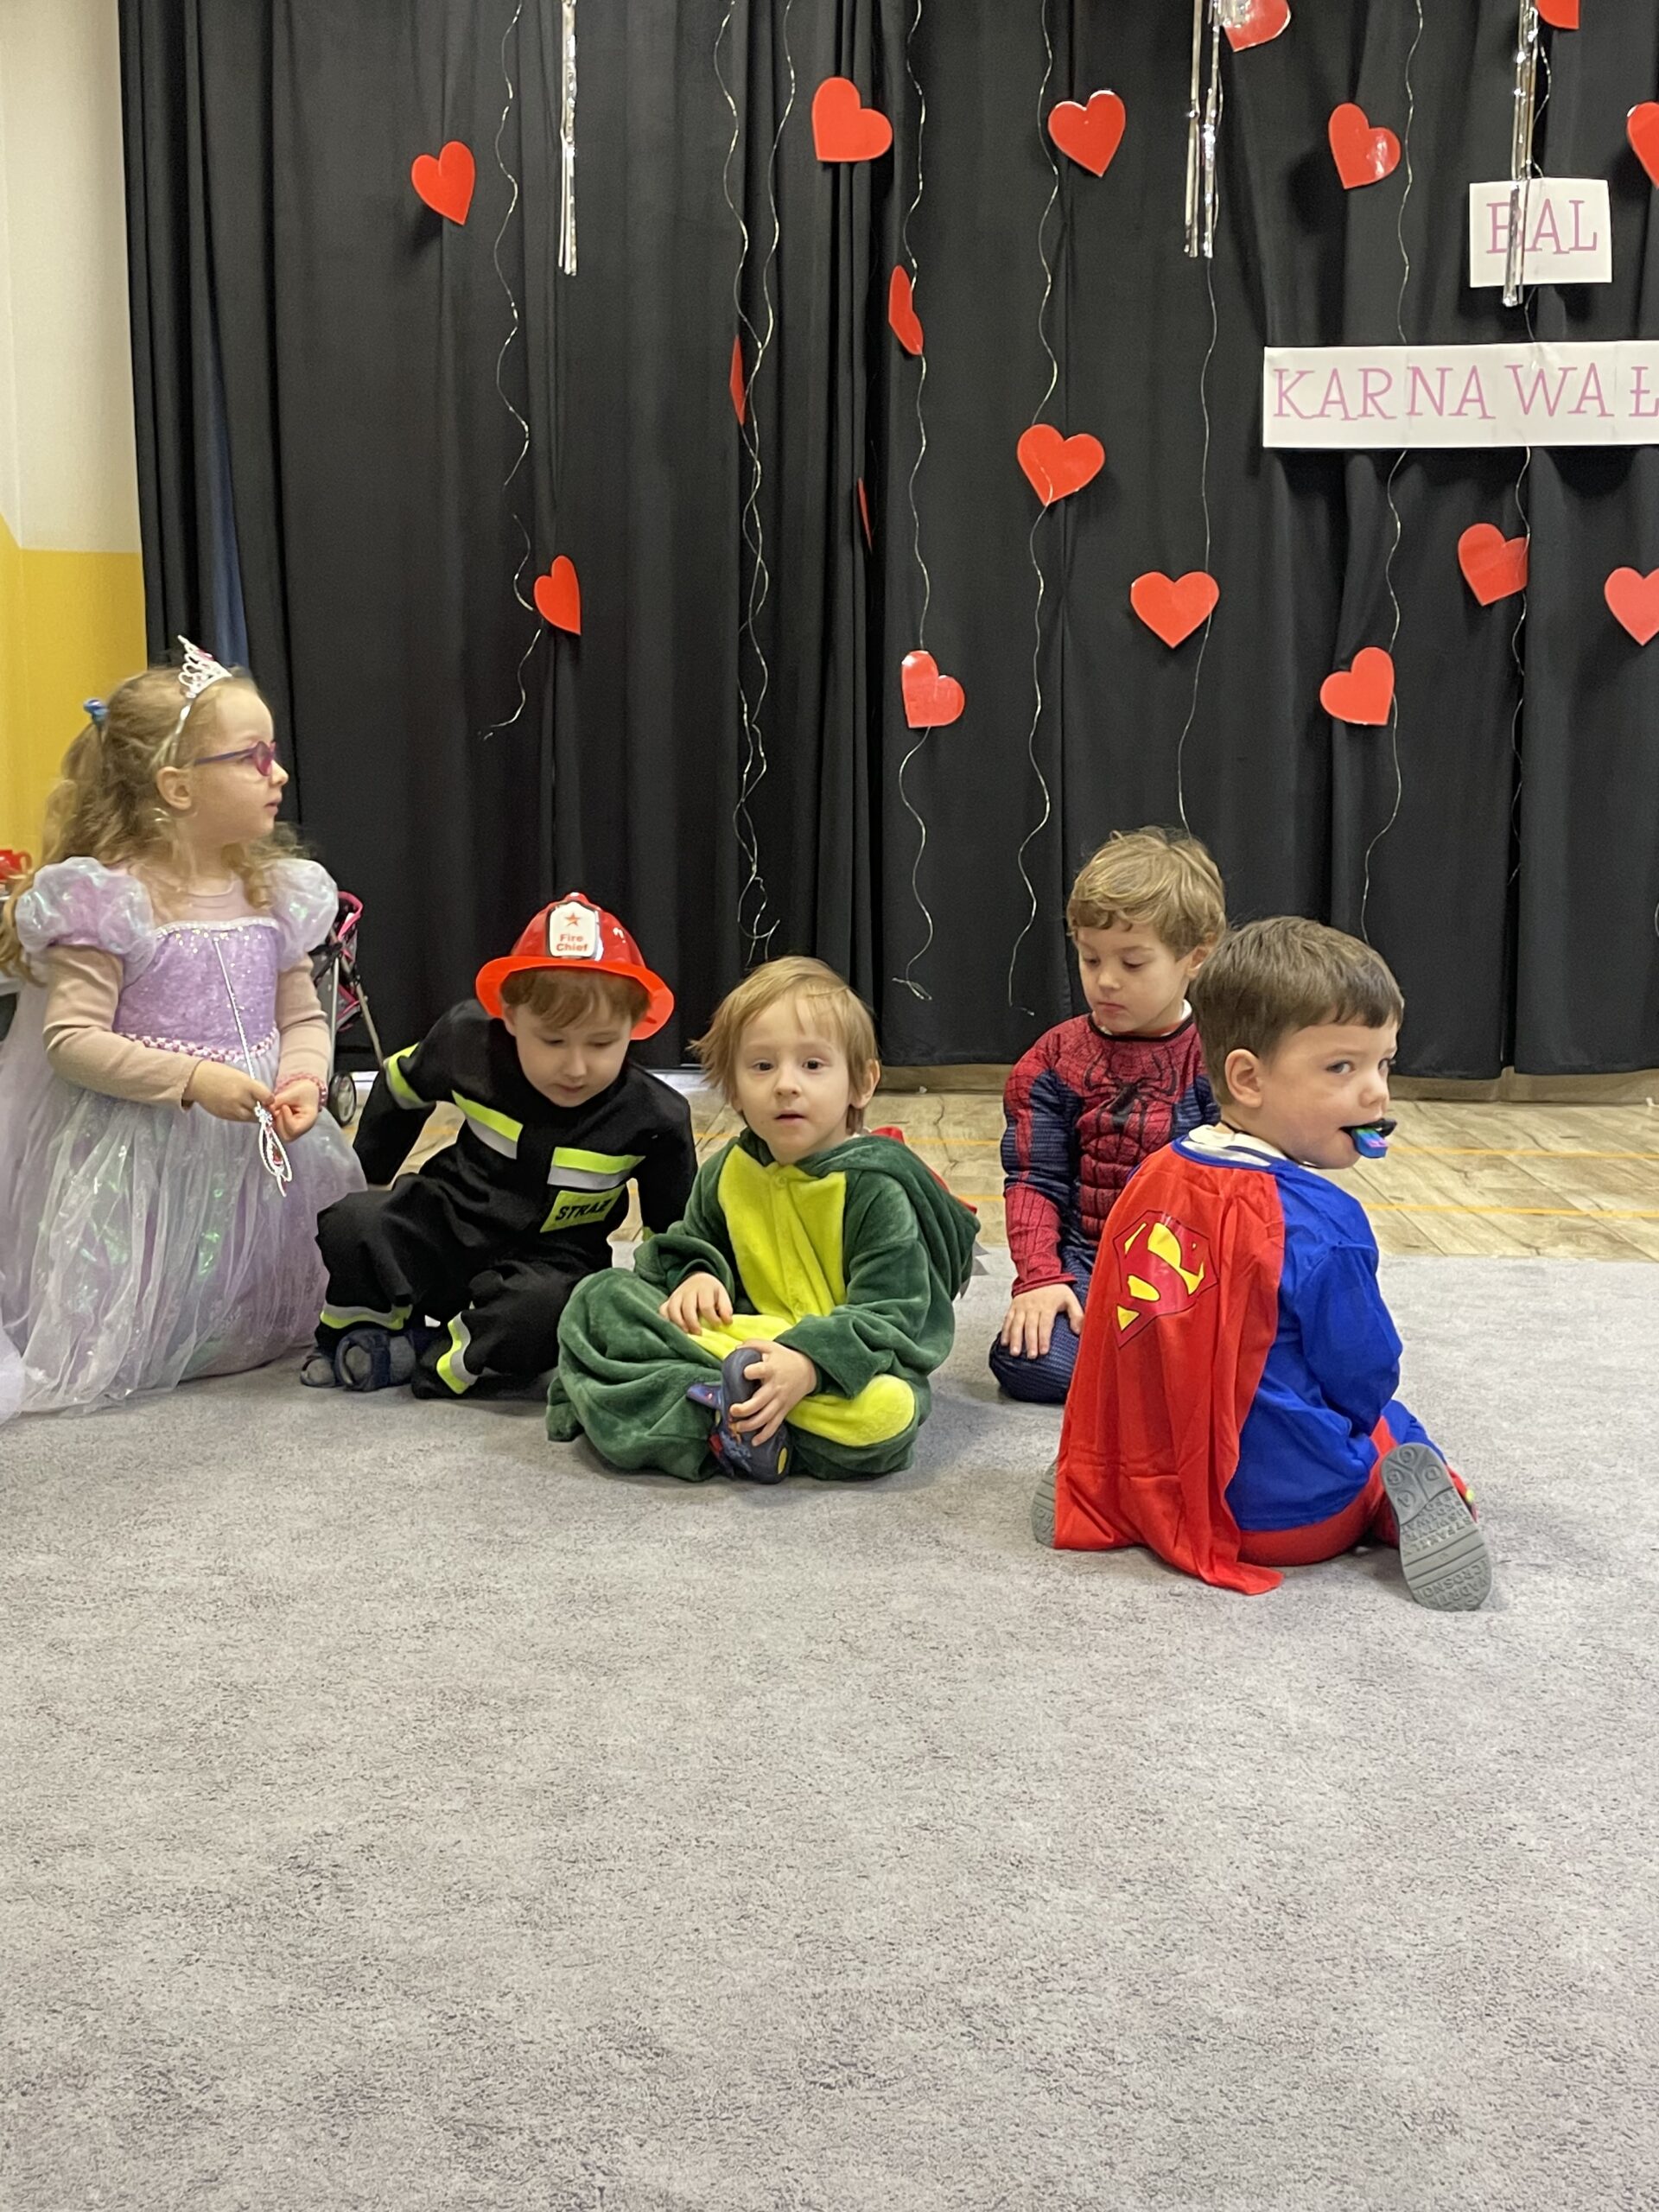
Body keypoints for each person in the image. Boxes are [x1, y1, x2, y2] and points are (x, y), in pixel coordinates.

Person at [1042, 917, 1491, 1609]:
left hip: (1154, 1484)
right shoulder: (1323, 1222)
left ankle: (1098, 1482)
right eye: (1342, 1067)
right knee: (1393, 1425)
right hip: (1289, 1521)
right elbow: (1364, 1372)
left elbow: (1112, 1337)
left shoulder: (1150, 1177)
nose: (1376, 1093)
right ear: (1247, 1078)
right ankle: (1412, 1499)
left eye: (1383, 1063)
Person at [0, 645, 362, 1419]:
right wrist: (192, 1078)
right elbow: (71, 1040)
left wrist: (302, 1076)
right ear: (178, 786)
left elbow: (301, 1016)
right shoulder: (108, 901)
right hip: (144, 1146)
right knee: (147, 1322)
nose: (278, 773)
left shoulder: (274, 892)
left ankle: (237, 1322)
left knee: (267, 1292)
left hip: (256, 1135)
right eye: (253, 757)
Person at [548, 955, 979, 1481]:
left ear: (862, 1083)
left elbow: (894, 1315)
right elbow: (689, 1243)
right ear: (732, 1088)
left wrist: (808, 1364)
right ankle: (742, 1416)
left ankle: (714, 1415)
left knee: (885, 1415)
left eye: (812, 1065)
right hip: (740, 1340)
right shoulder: (727, 1170)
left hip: (837, 1362)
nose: (785, 1085)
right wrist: (697, 1276)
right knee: (599, 1299)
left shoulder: (876, 1189)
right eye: (761, 1066)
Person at [307, 893, 696, 1398]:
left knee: (555, 1313)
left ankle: (428, 1357)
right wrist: (374, 1177)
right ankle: (365, 1331)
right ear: (510, 1017)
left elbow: (674, 1233)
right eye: (552, 1041)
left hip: (552, 1264)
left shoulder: (655, 1118)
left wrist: (672, 1300)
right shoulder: (467, 1044)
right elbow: (400, 1088)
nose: (576, 1067)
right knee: (353, 1222)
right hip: (450, 1223)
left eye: (602, 1043)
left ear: (636, 1025)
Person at [991, 826, 1224, 1404]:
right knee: (1028, 1361)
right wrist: (1040, 1279)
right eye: (1090, 958)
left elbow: (1245, 1192)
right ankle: (1159, 1375)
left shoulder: (1220, 1060)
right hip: (1088, 1260)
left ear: (1195, 956)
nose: (1106, 980)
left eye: (1133, 962)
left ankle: (1155, 1368)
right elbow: (1034, 1180)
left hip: (1192, 1263)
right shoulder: (1053, 1059)